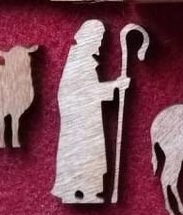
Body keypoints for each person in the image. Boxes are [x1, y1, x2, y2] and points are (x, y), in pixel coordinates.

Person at [52, 20, 129, 203]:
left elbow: (87, 89)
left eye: (100, 40)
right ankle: (76, 190)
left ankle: (88, 190)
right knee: (82, 152)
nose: (99, 45)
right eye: (98, 39)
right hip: (80, 119)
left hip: (87, 116)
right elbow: (81, 91)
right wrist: (115, 86)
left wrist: (114, 86)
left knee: (91, 152)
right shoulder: (79, 59)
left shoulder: (86, 59)